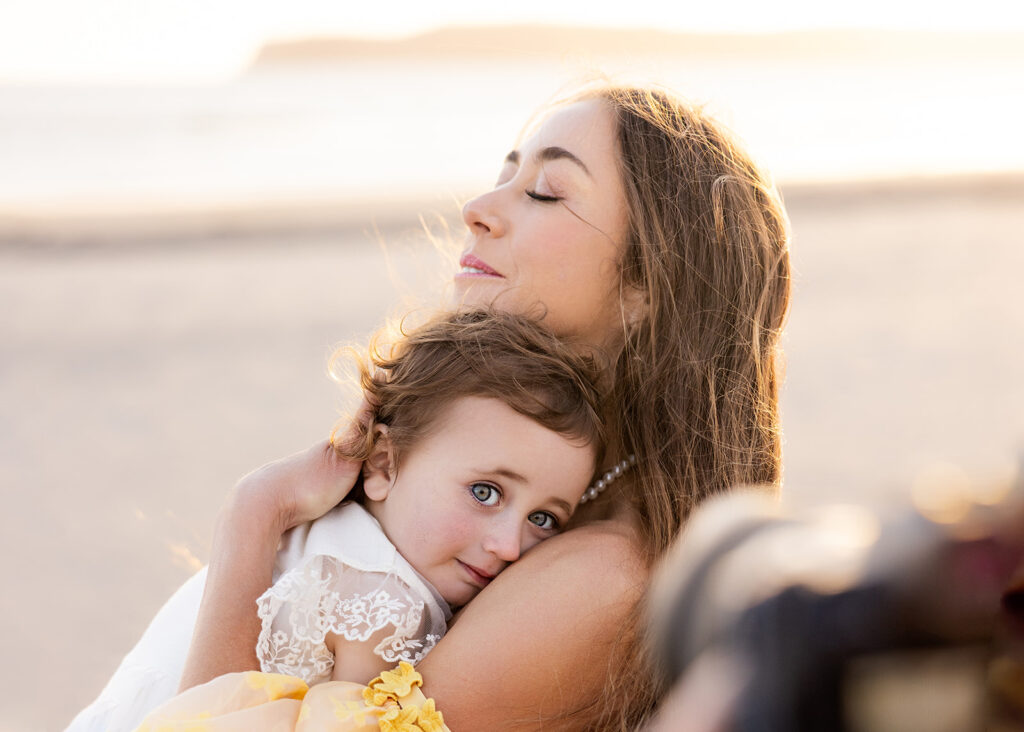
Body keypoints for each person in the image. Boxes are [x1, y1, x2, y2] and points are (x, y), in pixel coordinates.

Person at [80, 81, 792, 731]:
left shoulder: (605, 576)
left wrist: (254, 513)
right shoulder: (515, 461)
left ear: (646, 289)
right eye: (502, 176)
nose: (477, 212)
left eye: (545, 191)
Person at [70, 309, 605, 730]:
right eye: (484, 492)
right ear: (382, 463)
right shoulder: (386, 607)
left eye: (545, 518)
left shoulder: (325, 536)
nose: (511, 545)